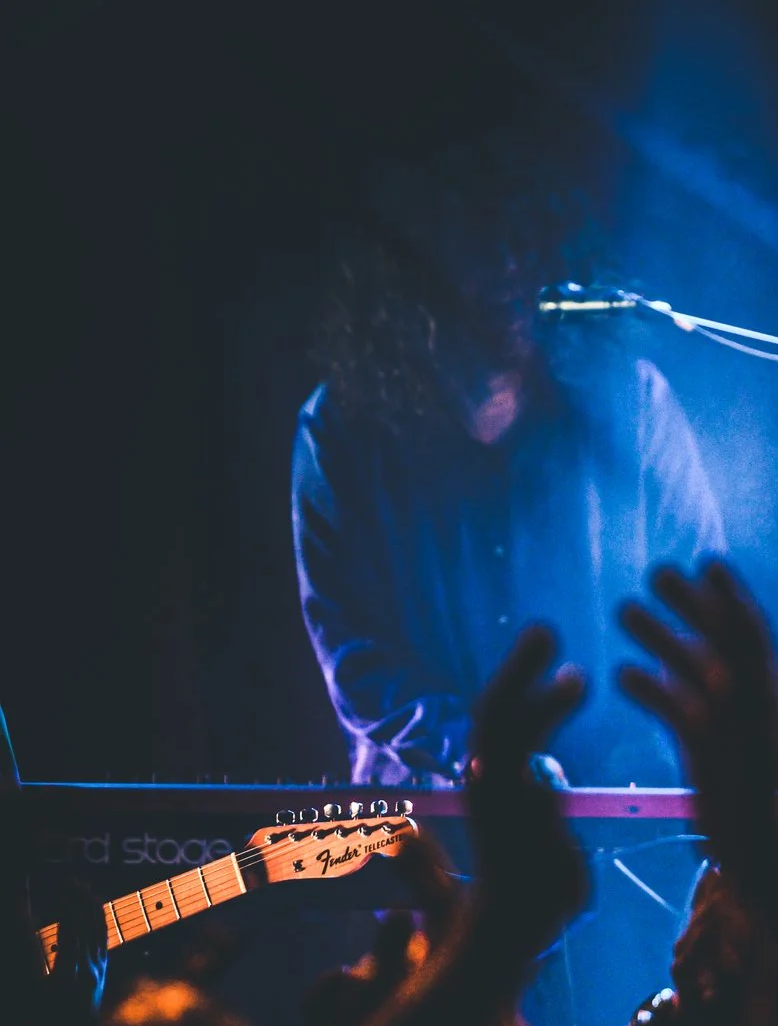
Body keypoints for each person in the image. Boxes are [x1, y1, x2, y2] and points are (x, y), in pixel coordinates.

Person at [291, 166, 725, 787]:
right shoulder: (342, 428)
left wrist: (638, 753)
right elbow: (354, 646)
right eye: (473, 246)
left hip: (621, 816)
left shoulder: (632, 404)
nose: (505, 271)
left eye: (519, 247)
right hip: (425, 825)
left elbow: (696, 604)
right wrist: (472, 751)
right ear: (412, 276)